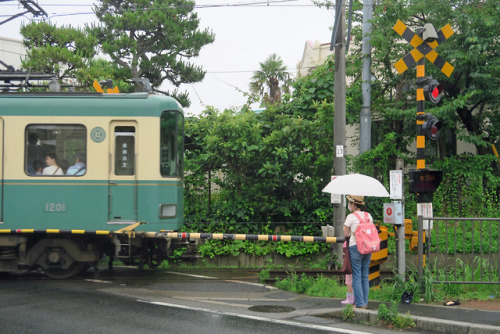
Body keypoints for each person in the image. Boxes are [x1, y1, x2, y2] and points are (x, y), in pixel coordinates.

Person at [343, 195, 373, 309]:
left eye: (349, 203)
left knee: (356, 276)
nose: (349, 205)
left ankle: (360, 304)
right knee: (365, 276)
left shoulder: (351, 217)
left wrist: (349, 231)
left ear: (353, 204)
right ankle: (364, 302)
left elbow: (346, 233)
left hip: (355, 247)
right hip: (368, 247)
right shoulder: (368, 216)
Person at [341, 240, 354, 305]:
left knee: (349, 279)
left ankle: (350, 299)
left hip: (350, 262)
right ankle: (357, 298)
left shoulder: (348, 242)